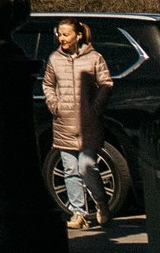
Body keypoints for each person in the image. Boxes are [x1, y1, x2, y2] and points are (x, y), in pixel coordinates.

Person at [43, 19, 115, 230]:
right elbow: (48, 84)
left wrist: (94, 108)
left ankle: (101, 201)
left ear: (79, 35)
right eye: (60, 34)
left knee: (86, 165)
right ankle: (78, 213)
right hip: (64, 124)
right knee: (70, 170)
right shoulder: (55, 59)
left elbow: (106, 84)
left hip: (88, 125)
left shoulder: (94, 58)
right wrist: (55, 105)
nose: (62, 38)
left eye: (66, 34)